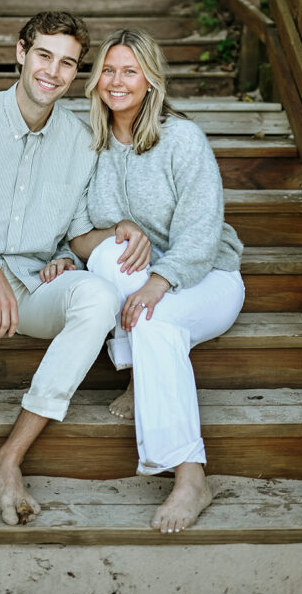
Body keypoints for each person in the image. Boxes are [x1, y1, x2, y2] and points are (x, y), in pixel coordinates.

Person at [0, 12, 150, 527]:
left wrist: (114, 233)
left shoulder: (82, 140)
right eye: (43, 55)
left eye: (67, 63)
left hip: (36, 287)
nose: (52, 72)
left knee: (100, 297)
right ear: (20, 52)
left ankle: (8, 459)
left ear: (76, 72)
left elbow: (80, 233)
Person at [72, 28, 245, 534]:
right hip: (145, 282)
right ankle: (137, 376)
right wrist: (110, 236)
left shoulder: (181, 140)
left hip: (209, 278)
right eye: (108, 69)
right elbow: (80, 234)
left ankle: (190, 479)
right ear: (95, 79)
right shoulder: (90, 146)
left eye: (130, 70)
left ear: (150, 79)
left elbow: (202, 230)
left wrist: (162, 279)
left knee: (152, 317)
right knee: (111, 255)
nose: (117, 81)